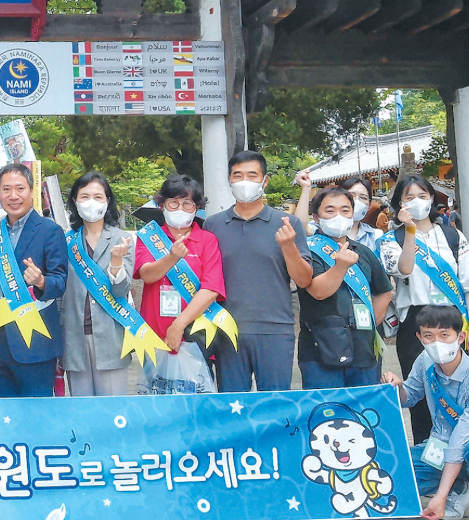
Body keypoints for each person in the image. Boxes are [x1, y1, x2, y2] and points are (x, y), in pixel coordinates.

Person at [383, 305, 469, 520]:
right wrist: (397, 386)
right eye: (428, 336)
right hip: (439, 449)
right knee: (389, 472)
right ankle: (458, 487)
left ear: (460, 337)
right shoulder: (425, 360)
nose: (436, 343)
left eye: (444, 335)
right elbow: (410, 396)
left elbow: (461, 438)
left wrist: (438, 497)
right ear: (419, 337)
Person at [379, 173, 469, 445]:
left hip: (453, 319)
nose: (417, 201)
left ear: (432, 199)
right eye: (409, 197)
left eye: (422, 196)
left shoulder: (452, 236)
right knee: (420, 393)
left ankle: (462, 451)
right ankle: (425, 451)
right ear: (399, 203)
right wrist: (410, 231)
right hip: (416, 321)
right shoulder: (391, 240)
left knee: (459, 390)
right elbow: (404, 269)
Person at [205, 150, 313, 392]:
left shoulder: (288, 224)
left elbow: (304, 279)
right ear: (229, 180)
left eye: (252, 175)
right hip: (226, 330)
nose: (244, 181)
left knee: (274, 406)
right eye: (238, 175)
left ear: (264, 181)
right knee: (232, 406)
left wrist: (288, 246)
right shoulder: (213, 225)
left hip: (274, 330)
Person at [0, 162, 67, 398]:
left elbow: (60, 282)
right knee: (0, 414)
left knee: (36, 415)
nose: (13, 196)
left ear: (31, 191)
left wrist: (41, 282)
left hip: (35, 341)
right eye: (6, 189)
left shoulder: (50, 231)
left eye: (20, 188)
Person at [134, 174, 226, 393]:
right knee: (156, 402)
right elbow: (147, 275)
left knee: (196, 402)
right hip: (154, 336)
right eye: (173, 202)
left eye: (187, 203)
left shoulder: (207, 240)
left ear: (197, 208)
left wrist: (178, 326)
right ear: (162, 205)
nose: (180, 209)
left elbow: (211, 289)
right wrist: (172, 257)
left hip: (195, 336)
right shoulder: (149, 237)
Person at [299, 188, 394, 389]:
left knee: (363, 406)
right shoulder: (308, 250)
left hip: (363, 349)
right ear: (316, 217)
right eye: (330, 211)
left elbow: (384, 290)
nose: (339, 216)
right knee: (327, 407)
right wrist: (341, 266)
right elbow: (318, 291)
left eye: (345, 210)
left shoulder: (364, 252)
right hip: (320, 350)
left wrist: (370, 322)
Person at [61, 171, 135, 396]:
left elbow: (121, 291)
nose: (91, 202)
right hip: (74, 338)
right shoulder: (65, 241)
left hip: (111, 338)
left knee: (112, 410)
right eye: (84, 196)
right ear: (75, 201)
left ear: (107, 201)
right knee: (81, 409)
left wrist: (116, 262)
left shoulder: (122, 239)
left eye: (98, 196)